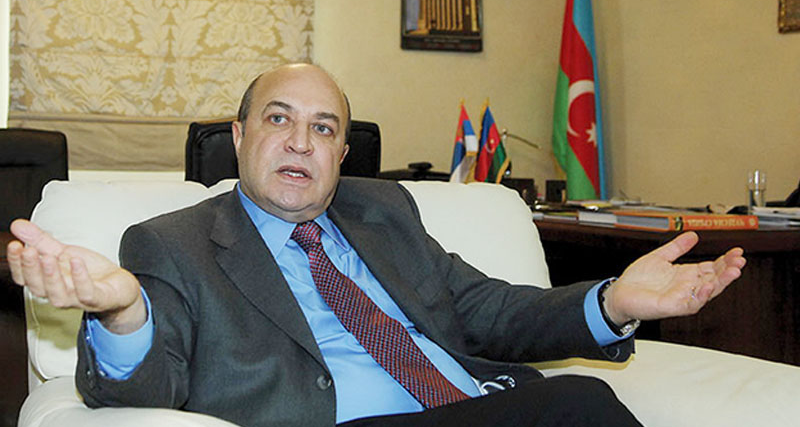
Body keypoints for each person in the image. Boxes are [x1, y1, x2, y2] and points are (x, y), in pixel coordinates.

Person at [7, 64, 746, 427]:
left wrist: (613, 301)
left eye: (323, 128)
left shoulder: (384, 212)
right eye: (278, 119)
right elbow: (141, 394)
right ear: (238, 136)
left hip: (472, 407)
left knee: (576, 399)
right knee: (579, 404)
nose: (301, 142)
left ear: (341, 154)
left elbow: (491, 311)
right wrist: (125, 312)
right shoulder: (174, 243)